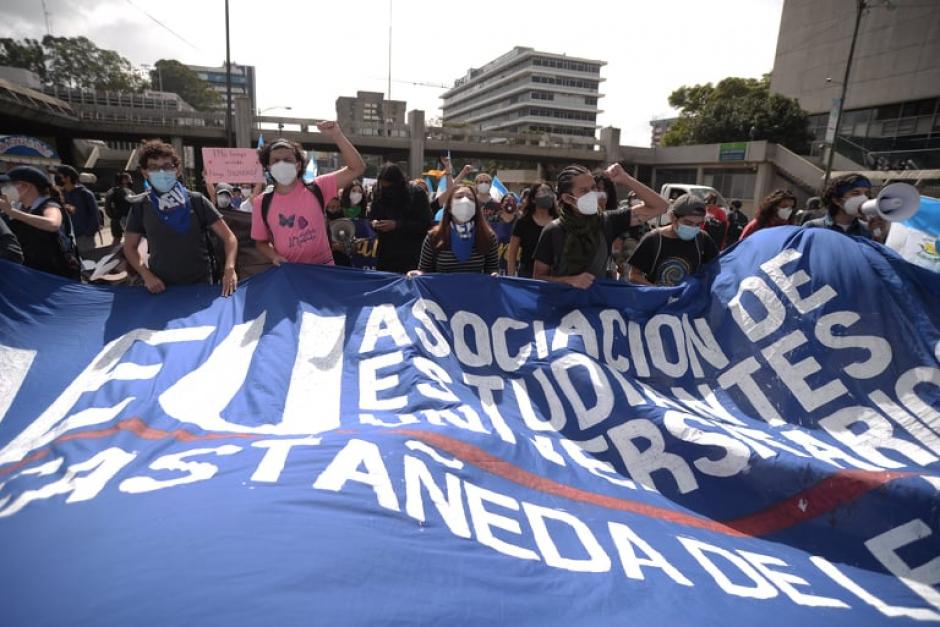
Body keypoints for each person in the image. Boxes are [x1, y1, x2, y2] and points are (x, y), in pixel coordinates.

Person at [123, 140, 239, 296]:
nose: (161, 173)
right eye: (154, 168)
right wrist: (146, 275)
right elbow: (129, 247)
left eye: (167, 167)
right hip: (161, 287)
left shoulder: (197, 201)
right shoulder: (141, 206)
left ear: (177, 170)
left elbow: (229, 238)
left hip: (201, 286)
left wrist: (229, 269)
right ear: (145, 173)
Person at [532, 163, 669, 289]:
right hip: (561, 308)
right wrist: (570, 280)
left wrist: (626, 179)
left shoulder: (607, 221)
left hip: (596, 307)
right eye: (584, 191)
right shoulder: (553, 230)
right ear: (568, 198)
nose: (592, 194)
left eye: (593, 188)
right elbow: (538, 278)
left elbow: (661, 206)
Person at [251, 121, 366, 267]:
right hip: (290, 273)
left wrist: (337, 135)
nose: (281, 164)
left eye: (287, 160)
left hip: (324, 269)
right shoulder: (261, 203)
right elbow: (261, 242)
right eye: (276, 161)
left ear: (298, 165)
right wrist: (274, 256)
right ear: (268, 167)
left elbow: (357, 168)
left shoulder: (318, 187)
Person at [0, 166, 80, 279]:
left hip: (55, 278)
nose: (3, 189)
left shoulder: (50, 206)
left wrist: (12, 212)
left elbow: (53, 224)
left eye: (7, 186)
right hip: (32, 275)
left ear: (25, 186)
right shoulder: (22, 209)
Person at [626, 193, 719, 287]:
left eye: (698, 224)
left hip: (689, 300)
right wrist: (658, 291)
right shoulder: (653, 239)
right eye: (688, 223)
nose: (693, 227)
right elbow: (634, 275)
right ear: (673, 218)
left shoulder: (703, 239)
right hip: (659, 299)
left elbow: (716, 269)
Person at [412, 184, 499, 275]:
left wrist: (494, 274)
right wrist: (417, 274)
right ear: (449, 207)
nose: (465, 201)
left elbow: (492, 269)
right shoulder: (434, 236)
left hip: (476, 289)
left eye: (470, 198)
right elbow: (424, 270)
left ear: (475, 208)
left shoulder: (488, 236)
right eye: (459, 196)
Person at [369, 163, 432, 273]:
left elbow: (425, 224)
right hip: (385, 254)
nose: (386, 190)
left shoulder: (417, 193)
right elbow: (372, 216)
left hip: (410, 254)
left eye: (389, 186)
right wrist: (374, 223)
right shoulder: (378, 191)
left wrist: (397, 225)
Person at [507, 181, 557, 278]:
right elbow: (512, 252)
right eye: (542, 192)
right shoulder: (523, 222)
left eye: (549, 191)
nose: (547, 195)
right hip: (527, 274)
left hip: (554, 275)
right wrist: (511, 277)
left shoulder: (559, 221)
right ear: (533, 199)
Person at [803, 173, 873, 238]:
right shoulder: (813, 227)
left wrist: (878, 237)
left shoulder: (867, 230)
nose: (864, 198)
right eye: (855, 193)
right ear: (837, 200)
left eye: (867, 194)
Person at [56, 164, 101, 256]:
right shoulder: (60, 195)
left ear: (67, 178)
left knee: (88, 263)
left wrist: (88, 234)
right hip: (67, 239)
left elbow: (95, 215)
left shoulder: (85, 194)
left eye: (59, 176)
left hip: (84, 238)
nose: (56, 178)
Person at [104, 171, 133, 244]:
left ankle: (113, 254)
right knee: (131, 240)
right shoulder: (126, 191)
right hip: (126, 219)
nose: (131, 181)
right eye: (129, 179)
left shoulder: (111, 190)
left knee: (116, 239)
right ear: (124, 180)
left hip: (114, 219)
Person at [492, 193, 518, 274]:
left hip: (515, 268)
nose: (510, 203)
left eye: (512, 201)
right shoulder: (492, 220)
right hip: (496, 268)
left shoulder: (520, 222)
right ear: (502, 204)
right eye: (507, 200)